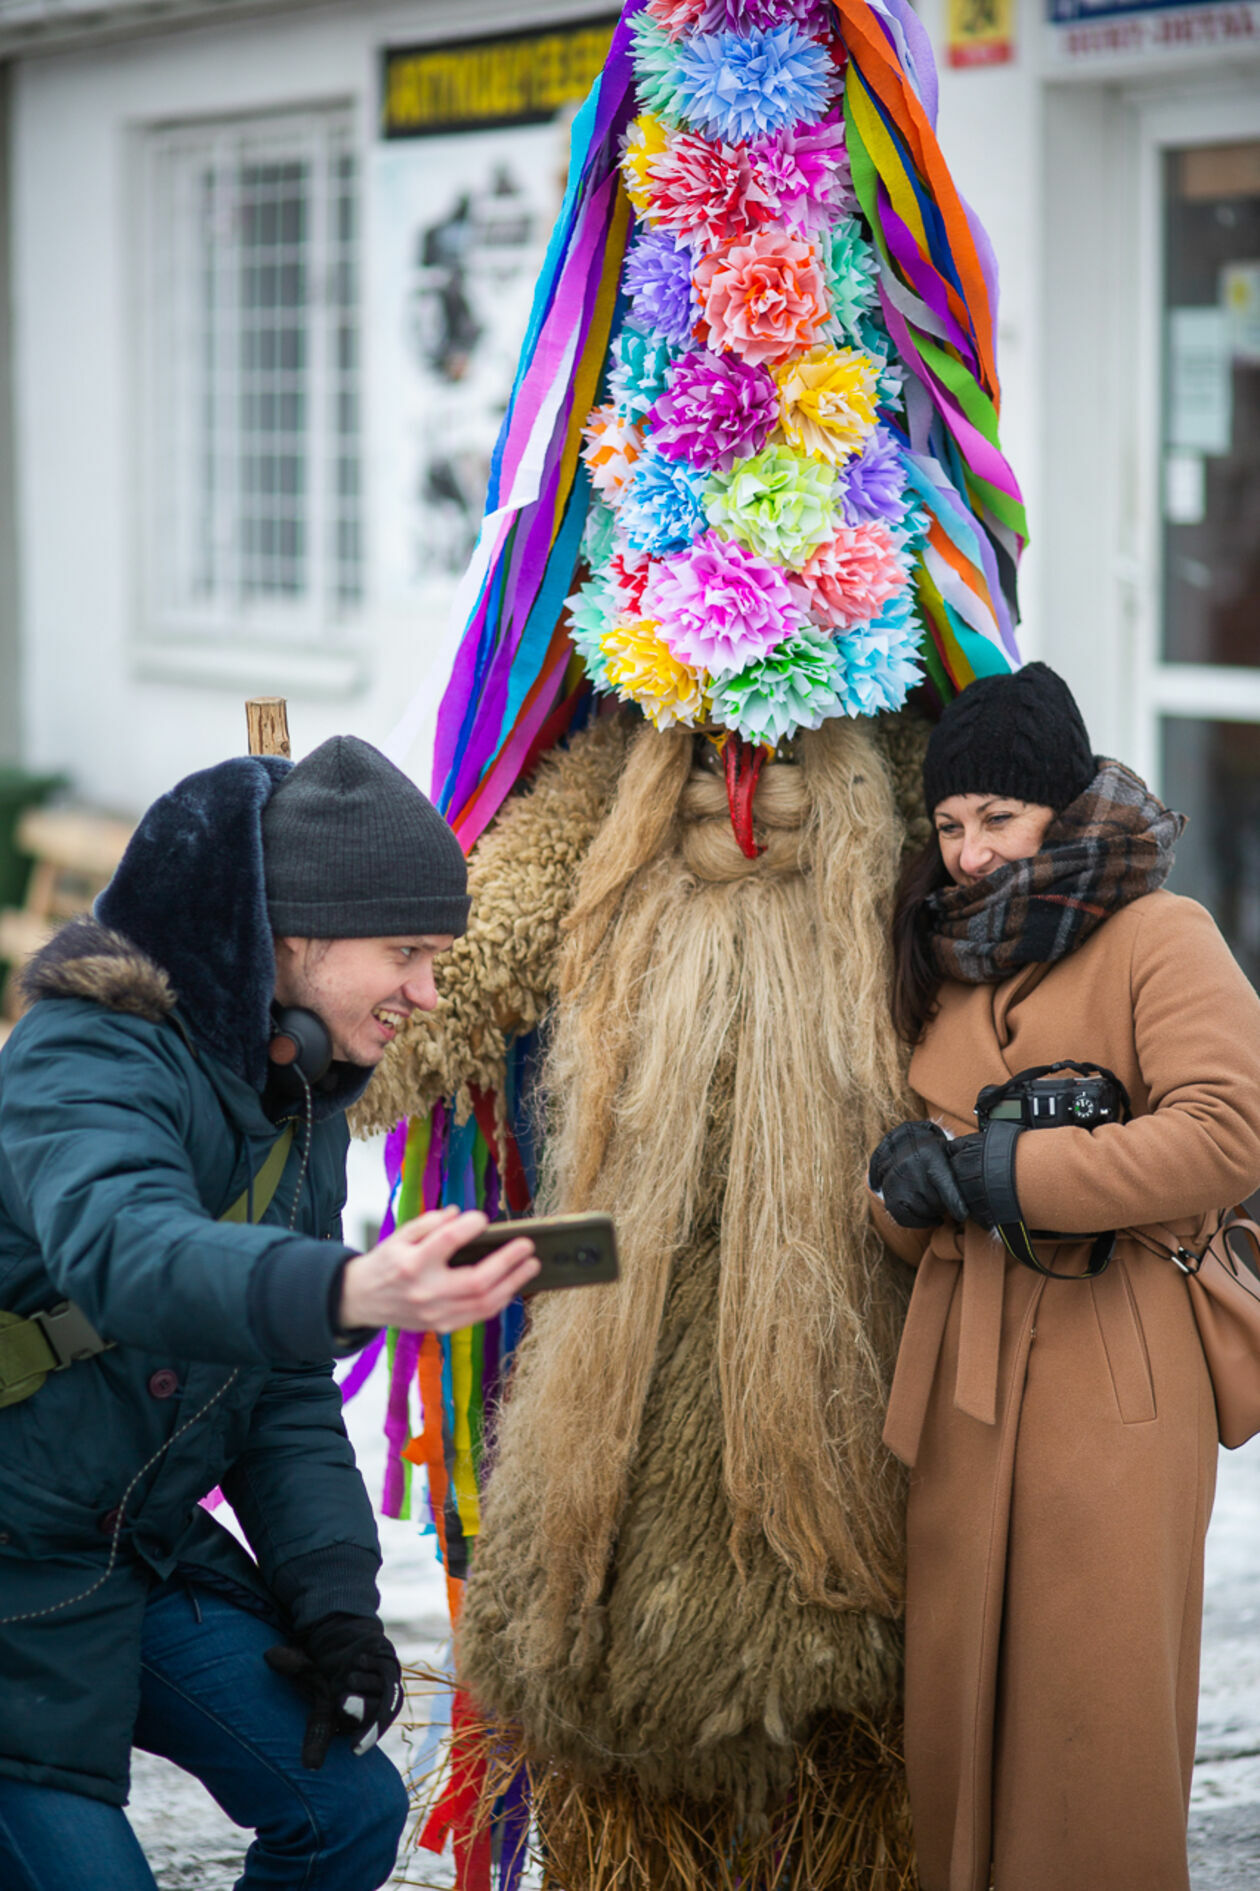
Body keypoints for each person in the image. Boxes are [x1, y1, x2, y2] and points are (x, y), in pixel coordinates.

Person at [0, 734, 538, 1891]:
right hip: (9, 1555)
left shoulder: (294, 1101)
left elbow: (280, 1390)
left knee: (345, 1805)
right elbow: (124, 1249)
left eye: (438, 957)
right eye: (406, 952)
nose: (427, 993)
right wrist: (352, 1289)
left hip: (120, 1543)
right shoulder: (89, 1046)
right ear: (293, 935)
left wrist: (337, 1603)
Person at [866, 663, 1260, 1891]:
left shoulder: (1160, 934)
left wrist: (1006, 1175)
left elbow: (1227, 1133)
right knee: (961, 1721)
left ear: (1064, 808)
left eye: (1000, 818)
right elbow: (910, 1198)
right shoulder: (940, 957)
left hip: (1119, 1369)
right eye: (950, 824)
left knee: (1093, 1724)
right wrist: (906, 1188)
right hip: (964, 1384)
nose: (971, 851)